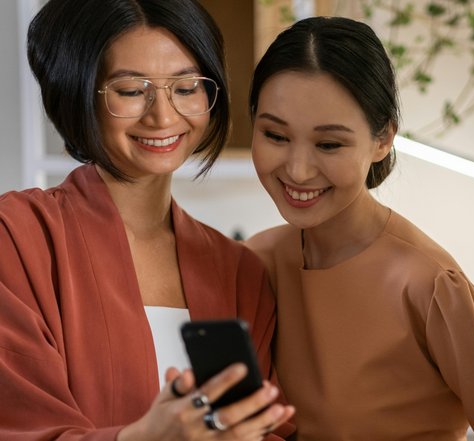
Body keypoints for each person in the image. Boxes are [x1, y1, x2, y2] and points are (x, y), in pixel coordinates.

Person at [0, 0, 295, 439]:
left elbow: (264, 425)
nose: (162, 116)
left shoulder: (239, 270)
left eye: (186, 87)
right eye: (132, 90)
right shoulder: (17, 237)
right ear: (77, 92)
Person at [244, 16, 474, 441]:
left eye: (329, 144)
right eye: (275, 135)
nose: (297, 168)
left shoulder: (430, 285)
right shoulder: (257, 264)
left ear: (383, 138)